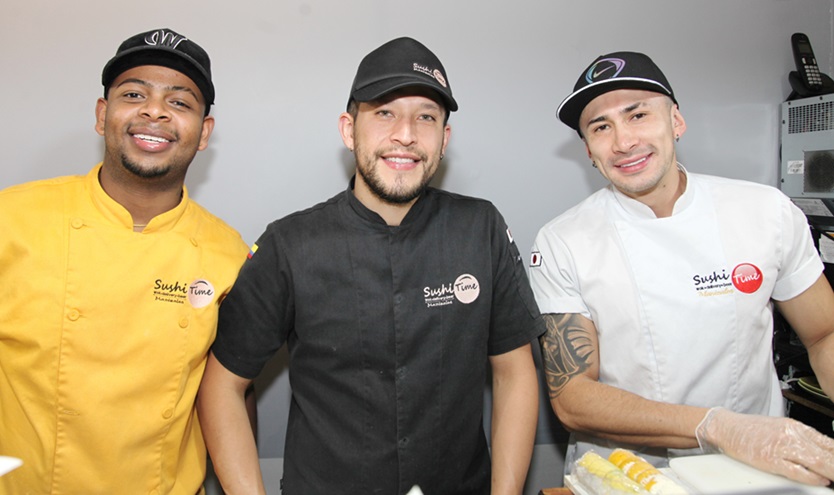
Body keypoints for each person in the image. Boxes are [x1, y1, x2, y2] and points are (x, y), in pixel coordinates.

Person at [197, 37, 544, 495]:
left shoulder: (481, 228)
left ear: (444, 139)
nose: (406, 133)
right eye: (384, 112)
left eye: (426, 117)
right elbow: (221, 386)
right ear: (348, 128)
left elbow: (515, 371)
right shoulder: (290, 244)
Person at [528, 50, 834, 486]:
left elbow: (824, 332)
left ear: (676, 121)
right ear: (588, 151)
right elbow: (572, 396)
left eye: (638, 115)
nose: (623, 142)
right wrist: (716, 426)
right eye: (601, 127)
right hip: (626, 473)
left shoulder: (765, 211)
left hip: (756, 467)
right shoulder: (563, 241)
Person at [0, 28, 249, 493]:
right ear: (102, 114)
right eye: (134, 94)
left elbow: (229, 396)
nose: (154, 111)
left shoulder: (229, 255)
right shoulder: (9, 221)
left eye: (180, 102)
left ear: (203, 133)